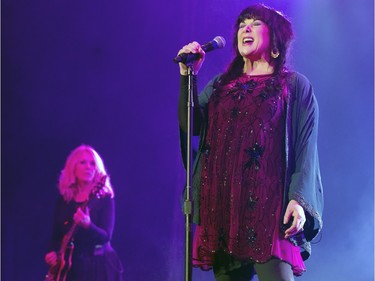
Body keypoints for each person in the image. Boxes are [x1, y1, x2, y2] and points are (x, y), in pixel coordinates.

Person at [177, 4, 323, 281]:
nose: (246, 27)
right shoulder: (221, 86)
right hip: (223, 209)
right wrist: (188, 77)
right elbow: (191, 126)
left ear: (276, 40)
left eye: (255, 22)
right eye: (243, 23)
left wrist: (298, 199)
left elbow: (306, 147)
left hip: (269, 210)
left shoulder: (292, 85)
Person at [44, 144, 124, 281]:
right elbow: (56, 235)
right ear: (73, 168)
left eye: (92, 164)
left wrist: (88, 226)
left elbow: (106, 236)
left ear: (97, 170)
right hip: (70, 267)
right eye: (83, 162)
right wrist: (52, 253)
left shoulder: (103, 198)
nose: (88, 167)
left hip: (99, 266)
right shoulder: (64, 199)